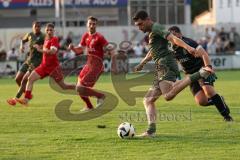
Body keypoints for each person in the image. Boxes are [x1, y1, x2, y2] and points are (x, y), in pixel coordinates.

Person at [132, 11, 213, 137]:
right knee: (148, 100)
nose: (139, 27)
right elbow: (153, 50)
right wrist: (142, 63)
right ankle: (151, 131)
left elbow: (174, 39)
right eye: (137, 25)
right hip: (161, 66)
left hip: (167, 64)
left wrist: (188, 48)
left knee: (168, 95)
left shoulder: (157, 27)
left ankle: (199, 74)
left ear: (148, 19)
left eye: (141, 24)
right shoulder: (152, 32)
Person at [168, 26, 233, 121]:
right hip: (190, 75)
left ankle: (226, 116)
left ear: (179, 34)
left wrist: (208, 67)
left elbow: (204, 54)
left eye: (173, 35)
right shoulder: (171, 49)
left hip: (201, 69)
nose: (172, 37)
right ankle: (219, 100)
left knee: (209, 91)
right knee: (201, 102)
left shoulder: (189, 42)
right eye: (170, 36)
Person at [16, 23, 77, 106]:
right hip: (44, 66)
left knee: (64, 86)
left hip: (53, 68)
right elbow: (46, 48)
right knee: (30, 79)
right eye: (47, 30)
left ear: (53, 31)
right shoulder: (46, 39)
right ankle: (26, 99)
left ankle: (80, 87)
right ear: (45, 31)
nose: (49, 31)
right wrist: (39, 47)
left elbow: (52, 51)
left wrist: (40, 50)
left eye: (51, 30)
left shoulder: (54, 39)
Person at [69, 16, 112, 111]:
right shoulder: (85, 36)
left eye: (94, 24)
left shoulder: (99, 37)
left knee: (80, 88)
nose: (92, 26)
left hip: (97, 67)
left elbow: (109, 47)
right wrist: (72, 48)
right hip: (88, 65)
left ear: (96, 25)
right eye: (90, 24)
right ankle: (89, 106)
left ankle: (101, 96)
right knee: (78, 86)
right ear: (87, 25)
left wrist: (110, 50)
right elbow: (79, 51)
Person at [7, 21, 45, 106]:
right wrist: (21, 46)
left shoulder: (43, 36)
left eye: (39, 27)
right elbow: (23, 40)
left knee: (24, 80)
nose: (37, 28)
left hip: (37, 62)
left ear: (40, 28)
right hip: (28, 60)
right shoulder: (30, 34)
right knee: (17, 79)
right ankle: (28, 94)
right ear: (33, 27)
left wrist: (41, 47)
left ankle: (15, 99)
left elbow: (47, 46)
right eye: (35, 26)